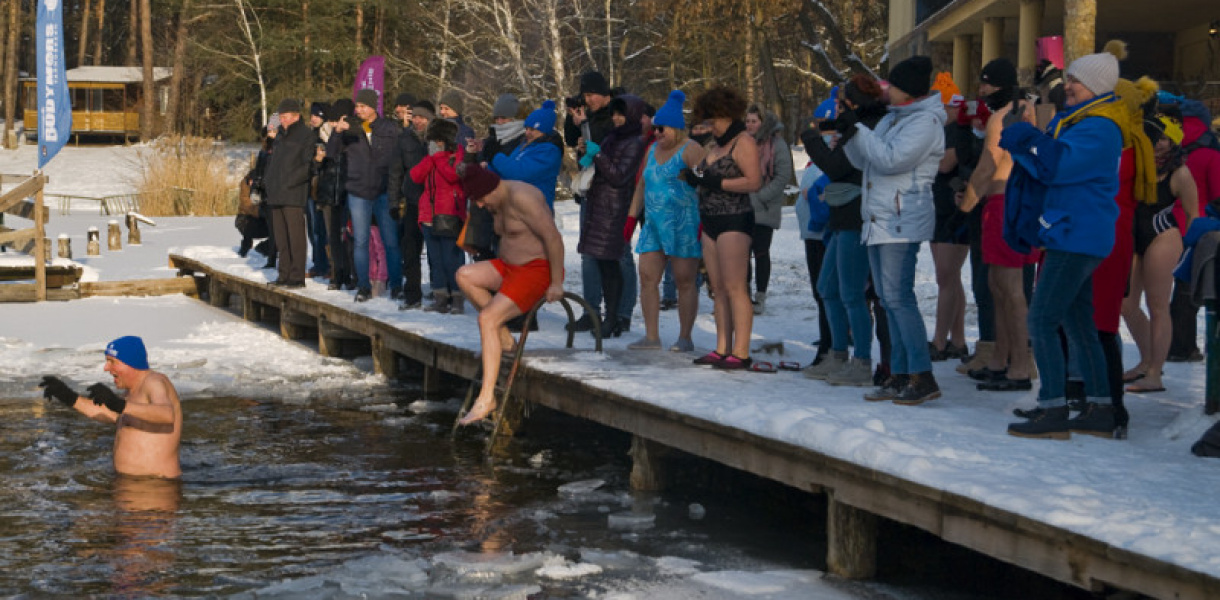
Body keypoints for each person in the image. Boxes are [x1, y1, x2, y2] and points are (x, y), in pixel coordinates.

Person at [1001, 51, 1124, 438]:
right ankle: (1100, 409)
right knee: (1076, 322)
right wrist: (1032, 135)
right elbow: (1048, 162)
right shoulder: (1079, 121)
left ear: (1098, 88)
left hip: (1076, 234)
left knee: (1041, 319)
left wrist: (1025, 135)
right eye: (1068, 78)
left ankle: (1053, 408)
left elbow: (1055, 165)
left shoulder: (1099, 127)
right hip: (1072, 231)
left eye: (1076, 81)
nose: (1067, 86)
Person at [842, 55, 945, 404]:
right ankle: (900, 373)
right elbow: (863, 161)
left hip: (902, 219)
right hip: (879, 217)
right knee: (887, 299)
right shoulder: (893, 118)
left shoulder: (926, 122)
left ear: (909, 91)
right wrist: (851, 132)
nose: (888, 91)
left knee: (899, 297)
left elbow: (890, 160)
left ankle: (921, 374)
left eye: (894, 86)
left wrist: (857, 129)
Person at [455, 164, 564, 425]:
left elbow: (553, 238)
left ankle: (486, 398)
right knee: (464, 275)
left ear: (491, 189)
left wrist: (557, 282)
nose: (480, 206)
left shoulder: (522, 198)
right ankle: (504, 338)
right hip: (509, 267)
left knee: (487, 319)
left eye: (481, 199)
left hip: (535, 270)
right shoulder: (496, 201)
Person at [958, 58, 1039, 392]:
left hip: (1003, 202)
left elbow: (987, 167)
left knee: (1010, 289)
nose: (981, 90)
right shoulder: (1027, 110)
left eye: (987, 84)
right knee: (998, 286)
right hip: (1020, 202)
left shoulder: (1002, 116)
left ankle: (1020, 365)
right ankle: (1002, 358)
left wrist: (965, 205)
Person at [801, 75, 888, 387]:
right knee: (827, 287)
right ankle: (838, 354)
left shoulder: (866, 127)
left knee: (851, 292)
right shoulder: (854, 126)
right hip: (841, 216)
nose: (835, 110)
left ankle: (861, 360)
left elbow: (837, 166)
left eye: (839, 103)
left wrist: (811, 140)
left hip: (857, 216)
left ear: (851, 103)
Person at [686, 85, 762, 369]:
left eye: (713, 121)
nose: (710, 127)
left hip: (734, 219)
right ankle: (722, 347)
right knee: (717, 287)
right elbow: (699, 174)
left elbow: (754, 182)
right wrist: (693, 176)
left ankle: (740, 351)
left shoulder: (743, 142)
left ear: (727, 116)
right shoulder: (714, 147)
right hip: (710, 221)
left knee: (735, 286)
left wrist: (717, 183)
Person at [1121, 115, 1198, 394]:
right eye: (1153, 139)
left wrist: (1190, 252)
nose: (1157, 146)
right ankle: (1146, 361)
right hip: (1132, 237)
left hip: (1163, 237)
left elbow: (1193, 215)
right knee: (1126, 304)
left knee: (1158, 306)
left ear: (1174, 142)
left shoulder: (1180, 173)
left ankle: (1155, 374)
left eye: (1163, 140)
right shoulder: (1136, 164)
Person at [624, 90, 706, 352]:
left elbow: (707, 185)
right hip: (654, 224)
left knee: (684, 280)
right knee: (647, 277)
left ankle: (685, 336)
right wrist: (630, 217)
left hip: (683, 223)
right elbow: (641, 185)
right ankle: (651, 337)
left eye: (662, 129)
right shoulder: (651, 150)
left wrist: (705, 221)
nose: (657, 133)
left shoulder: (691, 149)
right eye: (655, 128)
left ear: (677, 128)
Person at [39, 336, 182, 479]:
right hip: (129, 485)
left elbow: (166, 414)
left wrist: (118, 404)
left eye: (112, 362)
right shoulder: (132, 392)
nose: (106, 368)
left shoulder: (154, 381)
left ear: (130, 363)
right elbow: (112, 413)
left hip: (156, 488)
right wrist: (68, 396)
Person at [578, 94, 648, 338]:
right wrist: (587, 154)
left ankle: (614, 317)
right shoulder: (612, 137)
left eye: (621, 114)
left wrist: (597, 155)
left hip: (615, 209)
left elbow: (619, 175)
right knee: (602, 262)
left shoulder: (635, 142)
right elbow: (602, 165)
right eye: (614, 114)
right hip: (600, 206)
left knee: (611, 265)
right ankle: (610, 317)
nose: (617, 118)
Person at [329, 88, 402, 302]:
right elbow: (331, 153)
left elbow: (400, 153)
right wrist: (337, 132)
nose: (359, 110)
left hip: (384, 190)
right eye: (357, 106)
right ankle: (363, 285)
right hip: (358, 191)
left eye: (363, 106)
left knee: (391, 241)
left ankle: (396, 285)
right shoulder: (350, 128)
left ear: (373, 107)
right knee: (360, 241)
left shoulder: (388, 127)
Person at [412, 118, 468, 314]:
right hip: (429, 214)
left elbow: (453, 176)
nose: (431, 144)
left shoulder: (458, 156)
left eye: (434, 140)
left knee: (452, 259)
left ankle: (458, 297)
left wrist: (438, 157)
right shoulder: (431, 157)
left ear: (442, 140)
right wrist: (431, 158)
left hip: (450, 213)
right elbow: (415, 175)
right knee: (435, 260)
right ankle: (441, 297)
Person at [264, 98, 321, 288]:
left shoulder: (305, 135)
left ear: (296, 116)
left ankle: (297, 277)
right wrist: (268, 182)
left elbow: (308, 165)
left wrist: (290, 182)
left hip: (293, 192)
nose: (283, 120)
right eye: (281, 117)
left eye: (286, 116)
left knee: (295, 237)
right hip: (276, 192)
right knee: (281, 237)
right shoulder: (280, 135)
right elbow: (273, 163)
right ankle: (284, 274)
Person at [745, 103, 792, 315]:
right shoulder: (743, 143)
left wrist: (762, 196)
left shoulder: (777, 145)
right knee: (741, 253)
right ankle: (743, 294)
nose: (750, 125)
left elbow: (782, 176)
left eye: (754, 121)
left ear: (763, 123)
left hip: (765, 207)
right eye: (747, 121)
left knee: (761, 252)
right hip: (744, 206)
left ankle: (760, 295)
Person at [387, 95, 428, 308]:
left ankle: (446, 293)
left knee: (440, 252)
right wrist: (394, 203)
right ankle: (412, 293)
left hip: (436, 204)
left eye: (423, 118)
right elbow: (395, 173)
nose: (418, 121)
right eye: (415, 117)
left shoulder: (438, 140)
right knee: (410, 249)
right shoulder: (404, 139)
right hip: (412, 202)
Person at [491, 100, 564, 211]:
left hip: (536, 210)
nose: (527, 133)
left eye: (533, 129)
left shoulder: (549, 151)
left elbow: (518, 173)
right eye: (527, 129)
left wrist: (495, 156)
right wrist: (484, 168)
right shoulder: (526, 144)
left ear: (544, 131)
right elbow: (505, 171)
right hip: (518, 208)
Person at [316, 99, 353, 291]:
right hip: (330, 191)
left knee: (349, 236)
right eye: (331, 121)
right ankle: (337, 273)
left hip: (348, 191)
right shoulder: (329, 137)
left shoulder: (354, 136)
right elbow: (329, 156)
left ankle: (350, 273)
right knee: (333, 237)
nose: (334, 124)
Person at [306, 101, 331, 280]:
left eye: (317, 115)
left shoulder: (329, 136)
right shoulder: (309, 137)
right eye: (312, 115)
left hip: (325, 189)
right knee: (314, 230)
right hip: (312, 189)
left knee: (326, 230)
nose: (313, 119)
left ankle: (330, 265)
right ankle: (318, 263)